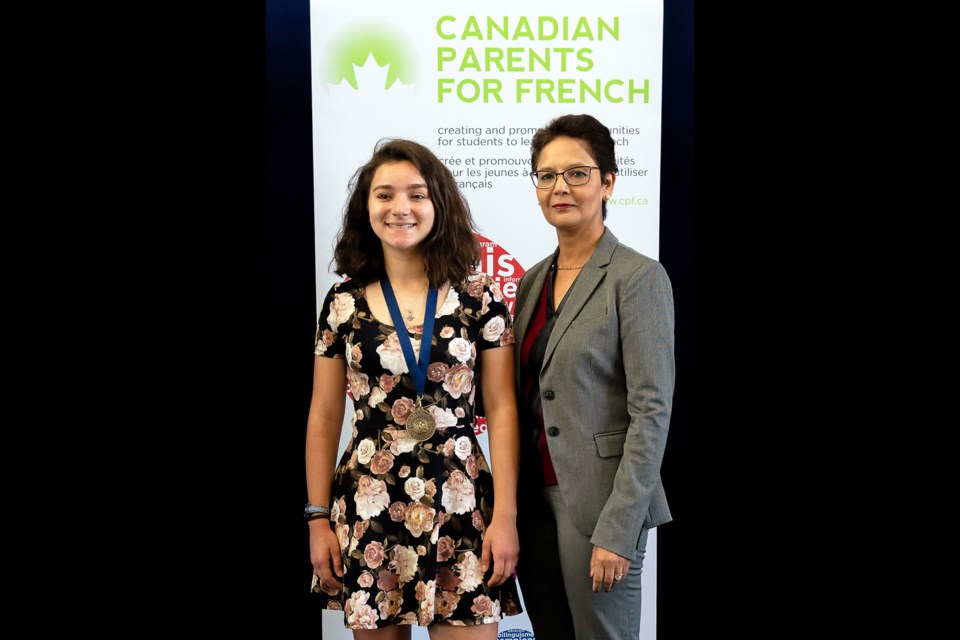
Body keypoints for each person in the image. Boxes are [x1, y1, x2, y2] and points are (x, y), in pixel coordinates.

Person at [305, 138, 523, 638]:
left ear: (438, 205)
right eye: (384, 195)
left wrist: (505, 515)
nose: (400, 208)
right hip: (370, 506)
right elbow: (322, 416)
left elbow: (504, 410)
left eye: (416, 194)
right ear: (367, 207)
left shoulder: (480, 295)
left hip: (464, 508)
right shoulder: (342, 301)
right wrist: (317, 518)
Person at [513, 114, 675, 640]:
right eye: (546, 175)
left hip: (599, 505)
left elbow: (651, 411)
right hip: (533, 502)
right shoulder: (532, 281)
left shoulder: (638, 277)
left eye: (577, 173)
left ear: (608, 183)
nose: (560, 187)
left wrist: (619, 528)